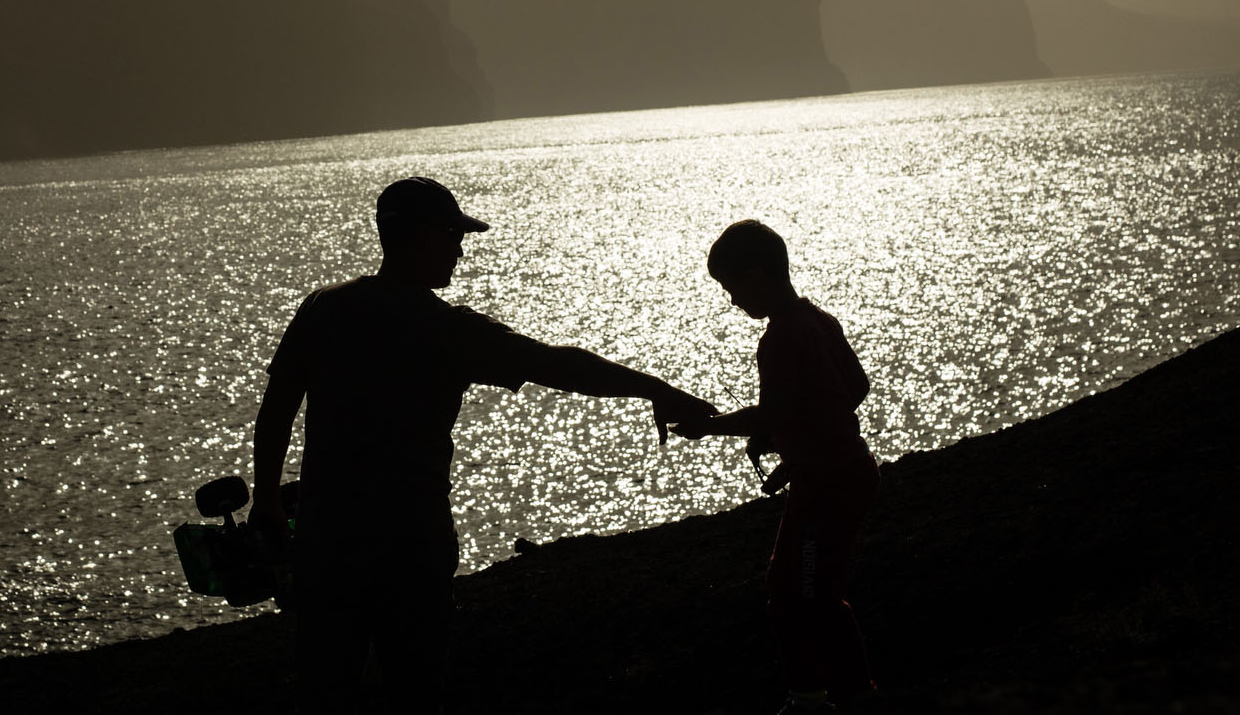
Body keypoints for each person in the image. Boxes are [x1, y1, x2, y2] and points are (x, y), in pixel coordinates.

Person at [248, 176, 717, 713]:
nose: (460, 249)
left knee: (325, 687)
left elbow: (277, 408)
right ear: (422, 236)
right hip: (411, 547)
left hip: (326, 543)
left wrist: (266, 496)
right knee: (413, 688)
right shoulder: (446, 329)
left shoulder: (322, 310)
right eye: (453, 234)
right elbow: (555, 364)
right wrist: (653, 388)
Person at [673, 219, 880, 714]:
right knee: (808, 590)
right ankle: (851, 693)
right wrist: (796, 446)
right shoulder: (819, 320)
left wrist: (711, 426)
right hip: (846, 471)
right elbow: (855, 387)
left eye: (732, 287)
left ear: (759, 276)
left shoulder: (780, 338)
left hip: (826, 487)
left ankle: (813, 699)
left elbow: (775, 412)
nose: (732, 301)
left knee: (798, 594)